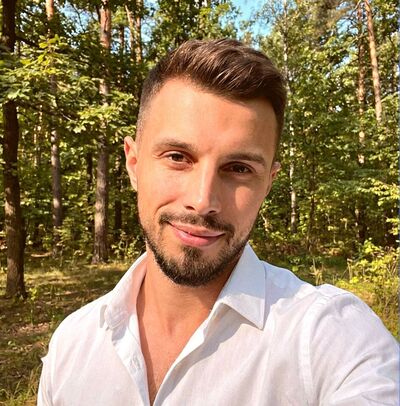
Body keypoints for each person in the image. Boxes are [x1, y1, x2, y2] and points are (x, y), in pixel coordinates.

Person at [38, 39, 399, 406]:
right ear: (134, 164)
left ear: (268, 183)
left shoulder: (331, 338)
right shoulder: (71, 347)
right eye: (178, 157)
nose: (203, 201)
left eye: (239, 168)